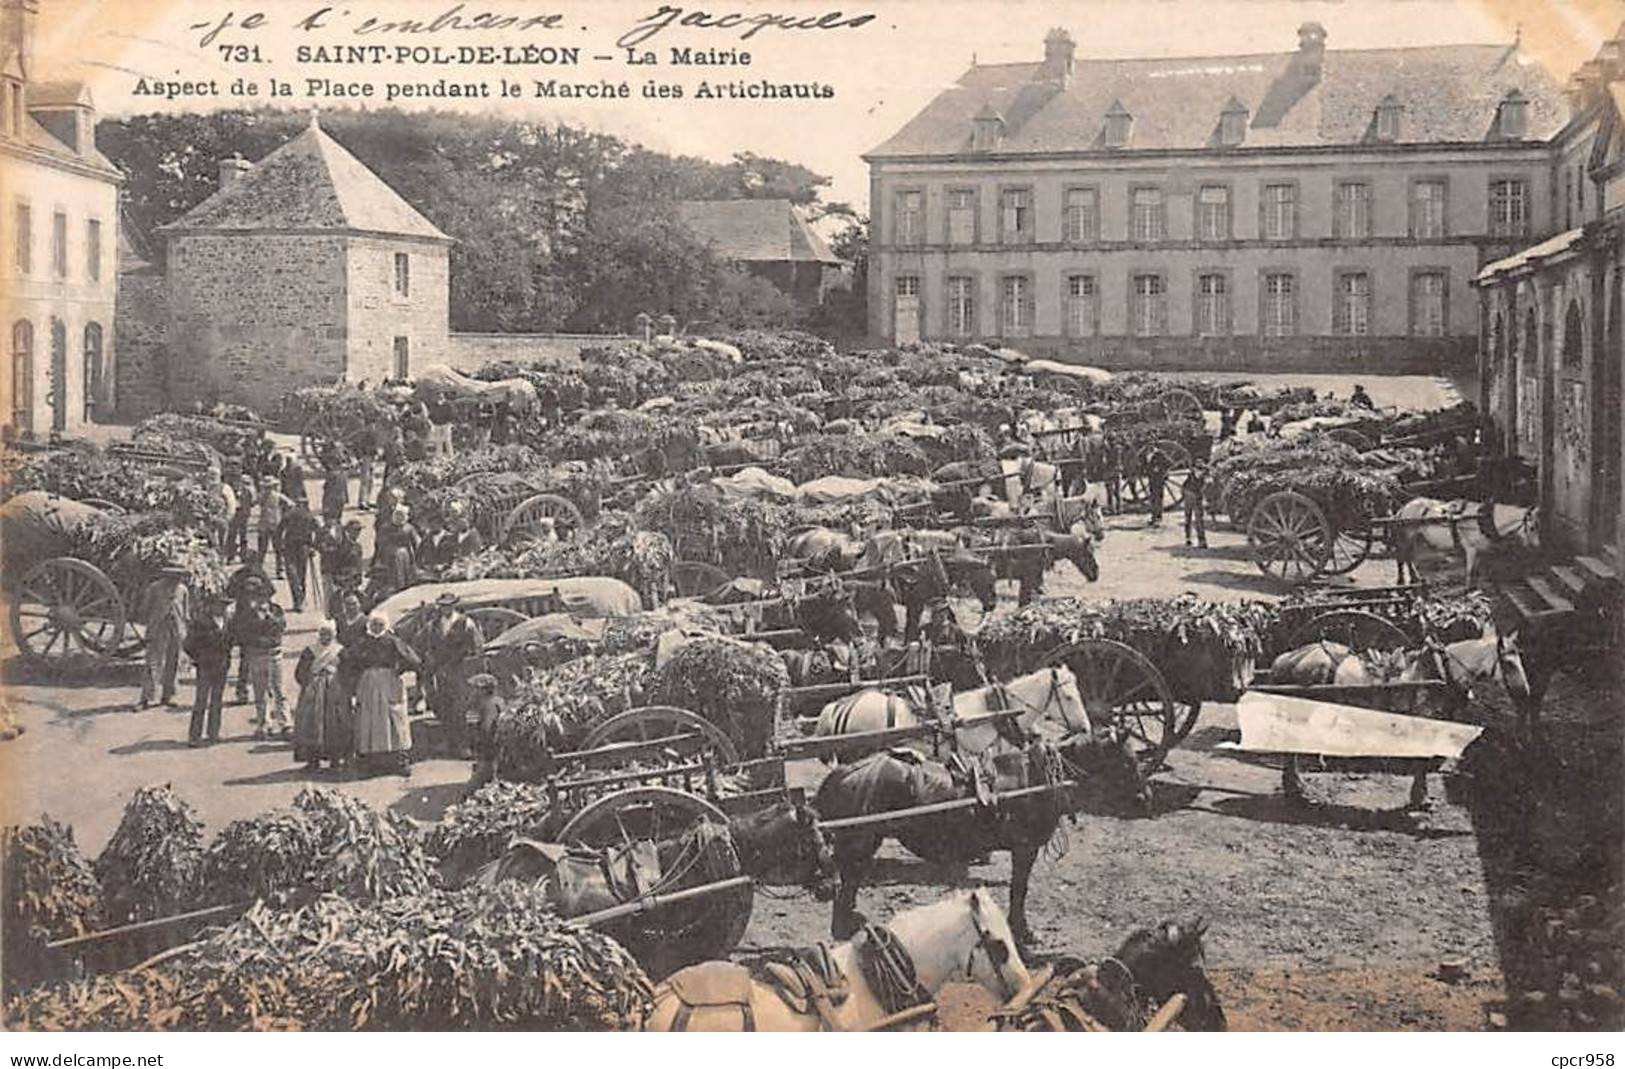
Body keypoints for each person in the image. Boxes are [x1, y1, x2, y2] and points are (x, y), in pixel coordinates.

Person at [342, 612, 421, 777]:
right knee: (369, 721)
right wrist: (356, 677)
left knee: (394, 719)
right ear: (369, 626)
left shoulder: (393, 641)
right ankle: (370, 763)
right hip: (368, 684)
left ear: (385, 626)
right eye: (374, 625)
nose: (377, 628)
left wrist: (399, 669)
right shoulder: (363, 643)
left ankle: (400, 761)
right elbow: (348, 659)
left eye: (380, 624)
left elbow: (413, 659)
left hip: (389, 683)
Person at [421, 593, 483, 757]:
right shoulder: (433, 625)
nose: (445, 608)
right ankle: (449, 743)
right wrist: (432, 665)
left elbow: (475, 646)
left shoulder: (465, 623)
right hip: (441, 671)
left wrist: (466, 664)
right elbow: (428, 647)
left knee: (459, 708)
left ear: (454, 605)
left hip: (460, 670)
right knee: (443, 706)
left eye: (449, 605)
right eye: (442, 605)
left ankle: (463, 746)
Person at [229, 588, 288, 738]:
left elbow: (280, 628)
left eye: (263, 596)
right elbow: (244, 635)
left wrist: (268, 618)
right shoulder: (248, 615)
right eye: (256, 596)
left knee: (279, 690)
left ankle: (285, 723)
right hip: (257, 655)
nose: (260, 599)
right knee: (260, 692)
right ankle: (264, 724)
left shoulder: (276, 610)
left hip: (274, 654)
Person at [293, 620, 349, 770]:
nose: (326, 637)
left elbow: (348, 671)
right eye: (323, 634)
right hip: (313, 692)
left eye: (329, 634)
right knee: (311, 724)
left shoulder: (340, 651)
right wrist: (310, 680)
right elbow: (300, 672)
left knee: (335, 724)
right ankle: (313, 760)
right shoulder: (310, 651)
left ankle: (335, 760)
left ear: (334, 634)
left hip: (335, 693)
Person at [137, 569, 190, 709]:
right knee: (153, 663)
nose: (176, 579)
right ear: (167, 575)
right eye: (173, 576)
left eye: (178, 576)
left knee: (173, 663)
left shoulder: (183, 590)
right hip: (159, 629)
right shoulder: (155, 588)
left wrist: (183, 630)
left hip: (176, 630)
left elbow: (186, 612)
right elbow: (145, 608)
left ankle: (168, 696)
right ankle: (146, 698)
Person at [183, 596, 231, 746]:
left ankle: (213, 734)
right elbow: (188, 644)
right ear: (211, 606)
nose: (222, 608)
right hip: (205, 665)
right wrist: (198, 658)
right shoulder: (201, 622)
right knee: (201, 701)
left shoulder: (228, 622)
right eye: (219, 605)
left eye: (224, 606)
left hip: (222, 665)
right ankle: (194, 736)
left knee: (217, 701)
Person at [278, 498, 322, 612]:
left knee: (292, 574)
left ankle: (298, 600)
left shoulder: (289, 514)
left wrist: (279, 546)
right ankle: (300, 599)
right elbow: (319, 531)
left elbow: (279, 530)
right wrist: (314, 546)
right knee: (300, 574)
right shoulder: (309, 515)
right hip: (303, 546)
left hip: (291, 546)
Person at [467, 673, 506, 787]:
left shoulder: (487, 705)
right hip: (496, 745)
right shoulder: (499, 701)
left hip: (489, 747)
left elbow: (486, 728)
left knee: (479, 781)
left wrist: (478, 744)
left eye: (475, 688)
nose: (473, 691)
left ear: (484, 690)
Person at [323, 520, 366, 617]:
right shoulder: (340, 544)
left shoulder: (357, 546)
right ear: (348, 530)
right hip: (339, 577)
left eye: (359, 530)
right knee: (333, 600)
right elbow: (332, 562)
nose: (358, 533)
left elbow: (359, 565)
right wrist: (337, 578)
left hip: (352, 578)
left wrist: (358, 578)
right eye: (355, 530)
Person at [257, 476, 294, 580]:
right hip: (270, 524)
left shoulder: (274, 496)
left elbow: (290, 504)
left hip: (272, 524)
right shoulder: (266, 496)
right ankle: (274, 570)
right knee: (269, 549)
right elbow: (291, 504)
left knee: (275, 549)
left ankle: (278, 570)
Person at [227, 473, 256, 562]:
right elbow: (253, 502)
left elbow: (253, 502)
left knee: (237, 534)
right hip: (240, 513)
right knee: (238, 535)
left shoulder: (245, 491)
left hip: (241, 514)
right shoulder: (245, 490)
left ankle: (239, 555)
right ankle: (235, 555)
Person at [1183, 461, 1210, 549]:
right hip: (1189, 499)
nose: (1200, 472)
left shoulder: (1203, 480)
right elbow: (1184, 488)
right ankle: (1188, 538)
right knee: (1188, 519)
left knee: (1199, 520)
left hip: (1197, 500)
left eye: (1201, 470)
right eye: (1198, 469)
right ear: (1194, 469)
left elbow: (1205, 491)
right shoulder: (1190, 478)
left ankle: (1202, 540)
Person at [1143, 446, 1169, 527]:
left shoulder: (1160, 454)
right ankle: (1154, 517)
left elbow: (1168, 463)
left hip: (1159, 479)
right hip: (1152, 479)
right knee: (1153, 498)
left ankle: (1158, 517)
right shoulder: (1148, 455)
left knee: (1158, 498)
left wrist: (1160, 469)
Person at [321, 460, 348, 526]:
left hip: (332, 499)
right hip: (341, 498)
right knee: (338, 518)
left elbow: (327, 489)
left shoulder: (331, 475)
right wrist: (346, 498)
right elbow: (345, 487)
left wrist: (325, 505)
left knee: (330, 519)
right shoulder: (343, 474)